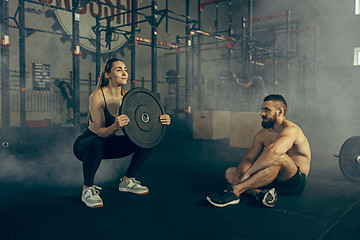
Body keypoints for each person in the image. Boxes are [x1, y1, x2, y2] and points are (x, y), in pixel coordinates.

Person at [73, 58, 171, 208]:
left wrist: (160, 120)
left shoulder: (129, 97)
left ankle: (127, 180)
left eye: (125, 69)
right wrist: (115, 126)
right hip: (87, 144)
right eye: (118, 70)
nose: (124, 73)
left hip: (108, 143)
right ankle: (87, 188)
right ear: (108, 75)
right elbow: (99, 132)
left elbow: (143, 123)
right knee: (97, 143)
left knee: (148, 140)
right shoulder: (97, 96)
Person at [206, 94, 311, 208]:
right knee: (231, 172)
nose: (262, 113)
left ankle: (235, 191)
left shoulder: (291, 130)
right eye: (262, 109)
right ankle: (260, 194)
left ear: (279, 112)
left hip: (293, 183)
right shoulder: (262, 134)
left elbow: (274, 151)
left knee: (280, 157)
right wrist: (240, 172)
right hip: (272, 179)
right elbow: (249, 158)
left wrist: (248, 173)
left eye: (267, 110)